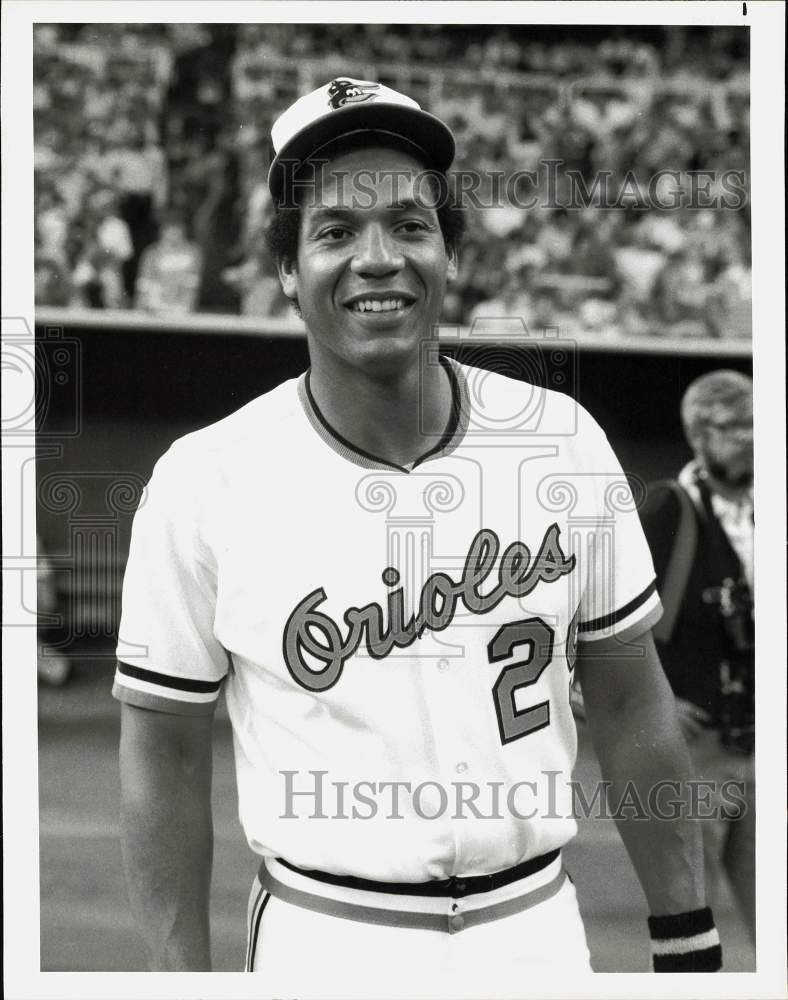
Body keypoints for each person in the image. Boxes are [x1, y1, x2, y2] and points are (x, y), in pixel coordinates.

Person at [115, 78, 722, 992]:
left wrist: (687, 940)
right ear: (286, 269)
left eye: (409, 225)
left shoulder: (558, 439)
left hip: (539, 933)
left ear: (446, 253)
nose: (377, 258)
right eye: (333, 232)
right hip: (325, 938)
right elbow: (162, 747)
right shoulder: (207, 479)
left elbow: (634, 703)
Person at [639, 370, 754, 943]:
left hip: (765, 745)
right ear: (698, 435)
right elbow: (616, 625)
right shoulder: (671, 507)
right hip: (699, 752)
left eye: (759, 422)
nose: (752, 436)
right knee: (692, 925)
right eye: (735, 426)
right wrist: (661, 702)